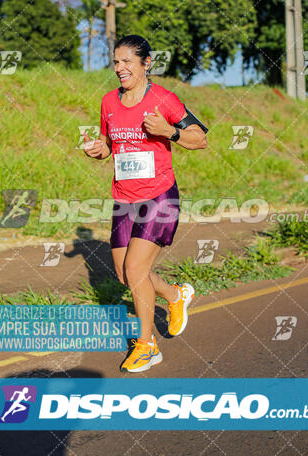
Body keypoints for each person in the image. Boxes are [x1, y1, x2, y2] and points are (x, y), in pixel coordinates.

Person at [84, 35, 208, 373]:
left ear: (146, 63)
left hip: (159, 196)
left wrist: (170, 131)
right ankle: (175, 295)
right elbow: (111, 145)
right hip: (124, 200)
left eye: (127, 62)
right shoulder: (109, 102)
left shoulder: (164, 100)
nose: (120, 68)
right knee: (127, 276)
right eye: (116, 62)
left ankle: (146, 346)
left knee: (137, 270)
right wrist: (99, 150)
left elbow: (201, 139)